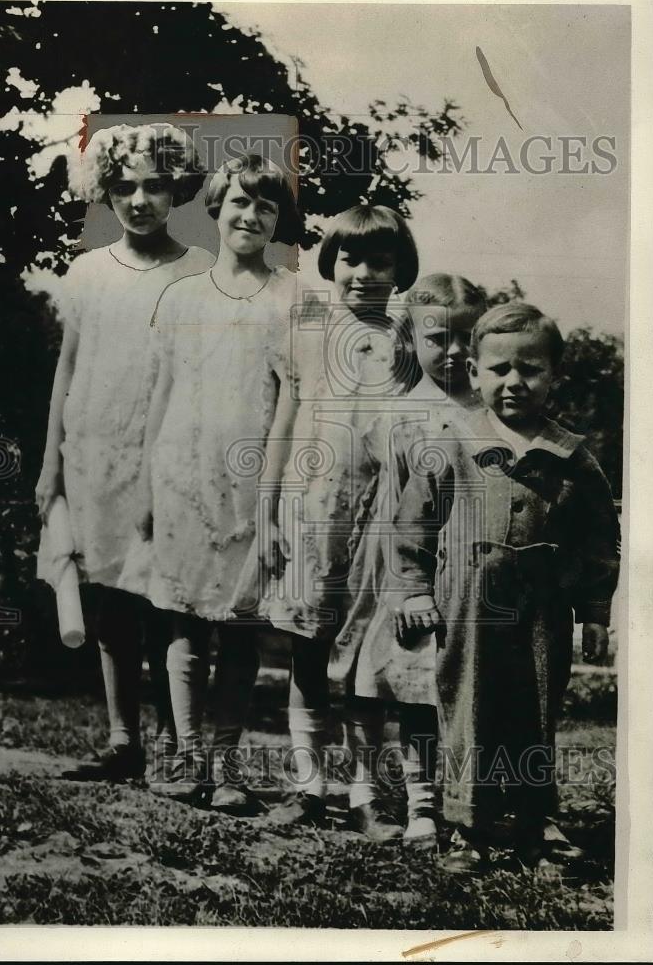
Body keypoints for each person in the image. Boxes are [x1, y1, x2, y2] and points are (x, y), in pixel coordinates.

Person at [388, 302, 620, 873]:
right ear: (474, 373)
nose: (514, 382)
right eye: (498, 370)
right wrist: (415, 591)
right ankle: (466, 825)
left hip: (543, 611)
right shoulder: (450, 443)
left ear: (555, 377)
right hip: (466, 609)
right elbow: (413, 526)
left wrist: (594, 612)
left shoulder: (573, 457)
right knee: (469, 709)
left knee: (534, 712)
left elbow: (599, 540)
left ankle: (536, 821)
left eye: (531, 369)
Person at [119, 153, 302, 810]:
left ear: (278, 220)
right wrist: (145, 482)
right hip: (180, 476)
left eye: (265, 206)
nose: (249, 216)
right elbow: (160, 391)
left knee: (240, 627)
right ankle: (187, 760)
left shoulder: (291, 297)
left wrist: (273, 497)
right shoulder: (182, 295)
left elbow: (290, 403)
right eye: (238, 203)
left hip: (252, 483)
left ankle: (225, 765)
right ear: (217, 208)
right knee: (182, 626)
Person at [35, 123, 213, 782]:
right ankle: (121, 740)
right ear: (106, 194)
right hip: (95, 453)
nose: (140, 200)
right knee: (110, 596)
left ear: (177, 190)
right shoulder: (86, 273)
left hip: (171, 456)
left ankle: (178, 745)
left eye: (155, 186)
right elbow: (67, 369)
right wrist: (50, 464)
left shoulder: (199, 270)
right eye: (124, 188)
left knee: (172, 598)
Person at [260, 204, 419, 836]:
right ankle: (307, 787)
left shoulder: (411, 342)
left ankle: (364, 796)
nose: (363, 274)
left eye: (380, 261)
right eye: (351, 259)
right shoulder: (306, 329)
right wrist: (268, 511)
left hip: (378, 527)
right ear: (332, 263)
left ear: (400, 269)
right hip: (311, 517)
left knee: (360, 663)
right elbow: (280, 426)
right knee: (307, 654)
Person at [333, 273, 486, 851]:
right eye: (437, 339)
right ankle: (363, 793)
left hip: (449, 567)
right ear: (411, 340)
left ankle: (426, 806)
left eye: (467, 338)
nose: (453, 352)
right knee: (368, 679)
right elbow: (378, 490)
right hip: (386, 563)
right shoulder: (399, 408)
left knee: (424, 686)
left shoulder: (485, 412)